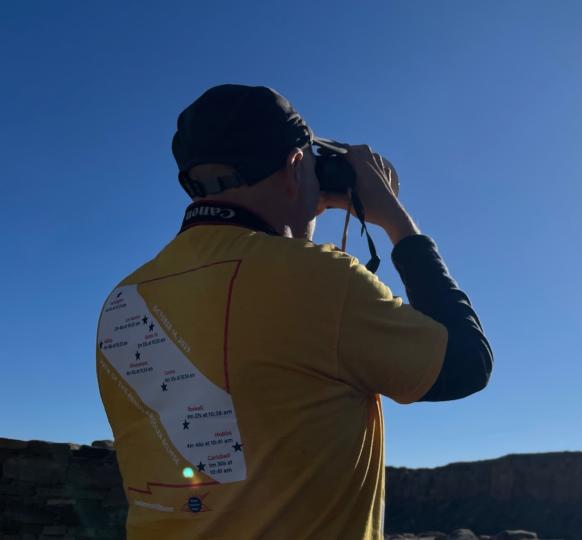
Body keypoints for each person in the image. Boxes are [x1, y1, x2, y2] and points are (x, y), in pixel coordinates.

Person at [95, 84, 493, 539]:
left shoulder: (124, 298)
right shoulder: (318, 279)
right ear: (296, 164)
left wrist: (295, 209)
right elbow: (467, 364)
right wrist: (396, 220)